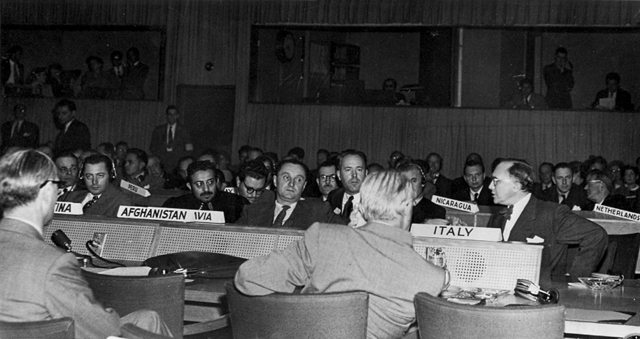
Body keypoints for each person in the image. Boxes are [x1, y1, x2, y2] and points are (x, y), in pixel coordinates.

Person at [235, 170, 447, 338]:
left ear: (362, 208)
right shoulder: (433, 278)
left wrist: (306, 297)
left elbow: (248, 277)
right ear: (407, 205)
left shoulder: (322, 237)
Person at [0, 149, 171, 338]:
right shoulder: (53, 263)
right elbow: (104, 328)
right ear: (47, 193)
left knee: (147, 317)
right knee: (148, 320)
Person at [488, 159, 607, 283]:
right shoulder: (498, 216)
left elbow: (596, 235)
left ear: (516, 185)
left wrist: (574, 281)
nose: (490, 186)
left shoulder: (551, 213)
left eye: (496, 181)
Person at [236, 159, 345, 229]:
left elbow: (346, 233)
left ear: (304, 186)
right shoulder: (253, 211)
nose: (291, 184)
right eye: (286, 177)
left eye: (298, 180)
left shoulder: (319, 211)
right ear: (275, 181)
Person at [163, 161, 245, 223]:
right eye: (199, 184)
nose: (206, 189)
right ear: (189, 186)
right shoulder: (175, 205)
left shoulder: (236, 203)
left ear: (216, 182)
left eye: (210, 182)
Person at [61, 154, 132, 218]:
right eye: (89, 176)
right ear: (82, 176)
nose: (94, 182)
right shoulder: (68, 198)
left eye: (100, 176)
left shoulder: (122, 202)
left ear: (111, 175)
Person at [328, 150, 368, 226]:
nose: (354, 175)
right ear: (339, 175)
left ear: (366, 174)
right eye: (348, 170)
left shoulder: (376, 201)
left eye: (359, 170)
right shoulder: (333, 197)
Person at [149, 105, 193, 172]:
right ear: (166, 116)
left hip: (178, 162)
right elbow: (152, 147)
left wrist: (180, 159)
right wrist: (160, 157)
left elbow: (189, 149)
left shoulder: (184, 130)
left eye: (174, 114)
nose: (172, 117)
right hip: (162, 162)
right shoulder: (158, 130)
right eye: (170, 114)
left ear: (177, 116)